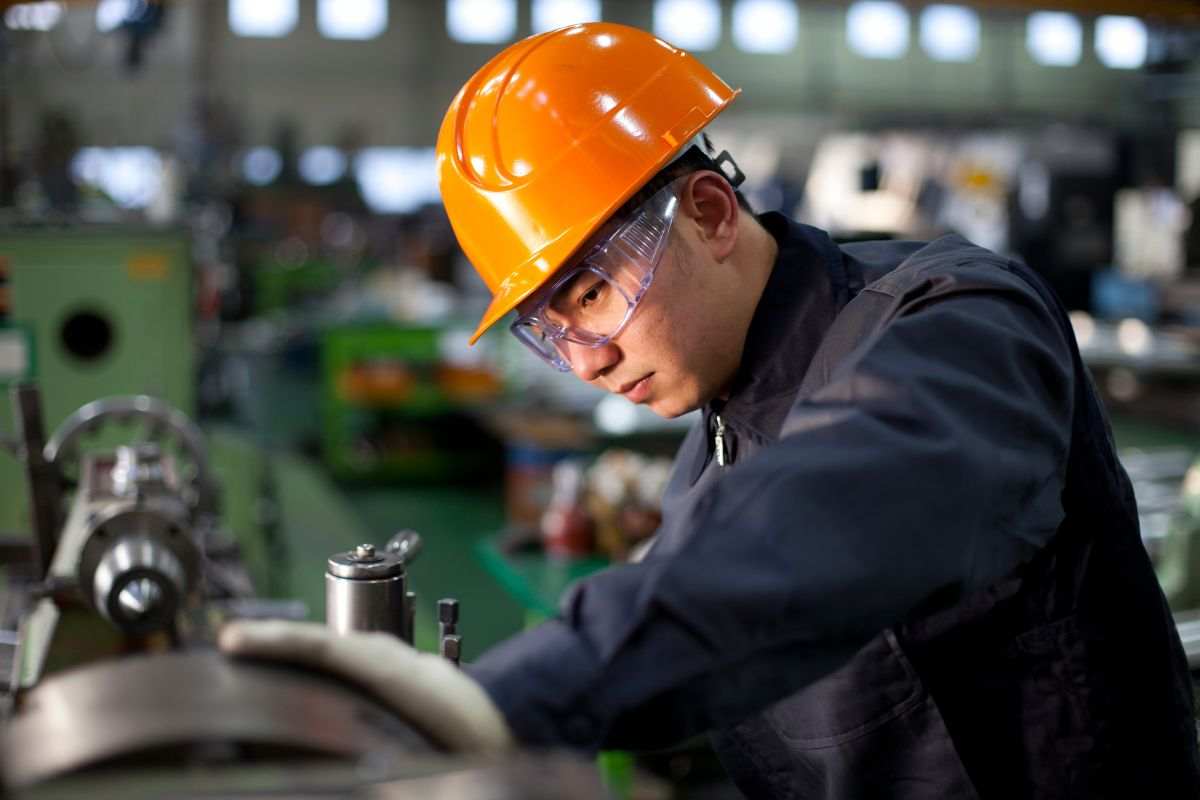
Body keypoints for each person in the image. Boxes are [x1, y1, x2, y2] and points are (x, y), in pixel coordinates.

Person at [221, 22, 1200, 797]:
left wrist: (503, 699)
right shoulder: (710, 455)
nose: (587, 358)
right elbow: (692, 614)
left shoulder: (959, 322)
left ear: (710, 213)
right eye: (548, 328)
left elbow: (818, 524)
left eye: (594, 293)